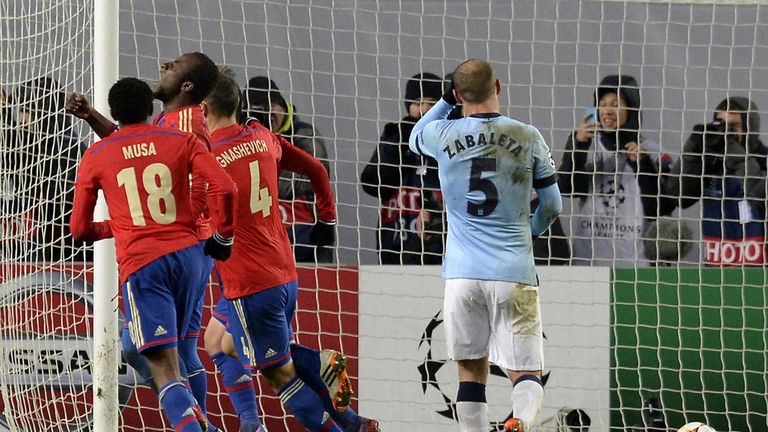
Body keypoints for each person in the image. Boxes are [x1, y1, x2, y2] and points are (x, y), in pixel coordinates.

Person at [204, 70, 379, 432]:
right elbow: (315, 168)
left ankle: (344, 411)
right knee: (220, 343)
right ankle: (255, 423)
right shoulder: (262, 136)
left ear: (203, 108)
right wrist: (327, 222)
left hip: (252, 282)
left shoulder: (210, 158)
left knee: (279, 373)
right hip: (282, 268)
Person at [66, 52, 227, 430]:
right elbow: (138, 147)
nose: (164, 65)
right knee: (141, 347)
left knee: (171, 354)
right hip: (185, 247)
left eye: (174, 66)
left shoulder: (187, 121)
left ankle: (196, 422)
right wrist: (92, 116)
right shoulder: (168, 122)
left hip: (175, 244)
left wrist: (200, 223)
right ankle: (198, 419)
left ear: (186, 87)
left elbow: (197, 176)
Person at [409, 59, 563, 432]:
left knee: (469, 373)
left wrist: (446, 102)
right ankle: (521, 422)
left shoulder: (442, 134)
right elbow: (553, 205)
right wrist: (533, 230)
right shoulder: (527, 136)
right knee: (526, 373)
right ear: (499, 86)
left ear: (459, 94)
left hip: (462, 278)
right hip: (513, 272)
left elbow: (416, 134)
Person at [557, 74, 662, 266]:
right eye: (603, 104)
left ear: (632, 109)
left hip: (635, 266)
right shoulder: (585, 145)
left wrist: (643, 165)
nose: (607, 110)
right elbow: (567, 189)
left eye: (615, 104)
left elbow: (660, 207)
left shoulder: (651, 151)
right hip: (588, 263)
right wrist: (578, 147)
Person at [660, 97, 768, 265]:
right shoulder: (711, 162)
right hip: (716, 270)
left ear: (750, 128)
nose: (727, 134)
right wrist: (692, 151)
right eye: (722, 126)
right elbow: (678, 196)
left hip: (760, 272)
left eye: (733, 127)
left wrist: (735, 155)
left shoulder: (764, 158)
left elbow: (762, 196)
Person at [241, 76, 333, 263]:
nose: (268, 116)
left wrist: (262, 147)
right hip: (262, 245)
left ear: (282, 105)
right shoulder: (242, 139)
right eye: (258, 110)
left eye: (271, 107)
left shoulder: (305, 135)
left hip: (305, 244)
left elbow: (289, 187)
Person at [360, 72, 445, 264]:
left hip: (439, 242)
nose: (424, 109)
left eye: (432, 103)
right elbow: (372, 184)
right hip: (396, 240)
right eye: (417, 102)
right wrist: (399, 143)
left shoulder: (450, 136)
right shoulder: (396, 133)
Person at [6, 77, 87, 262]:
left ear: (39, 112)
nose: (20, 120)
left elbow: (51, 211)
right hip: (44, 244)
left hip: (63, 253)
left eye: (22, 112)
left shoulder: (67, 152)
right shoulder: (47, 144)